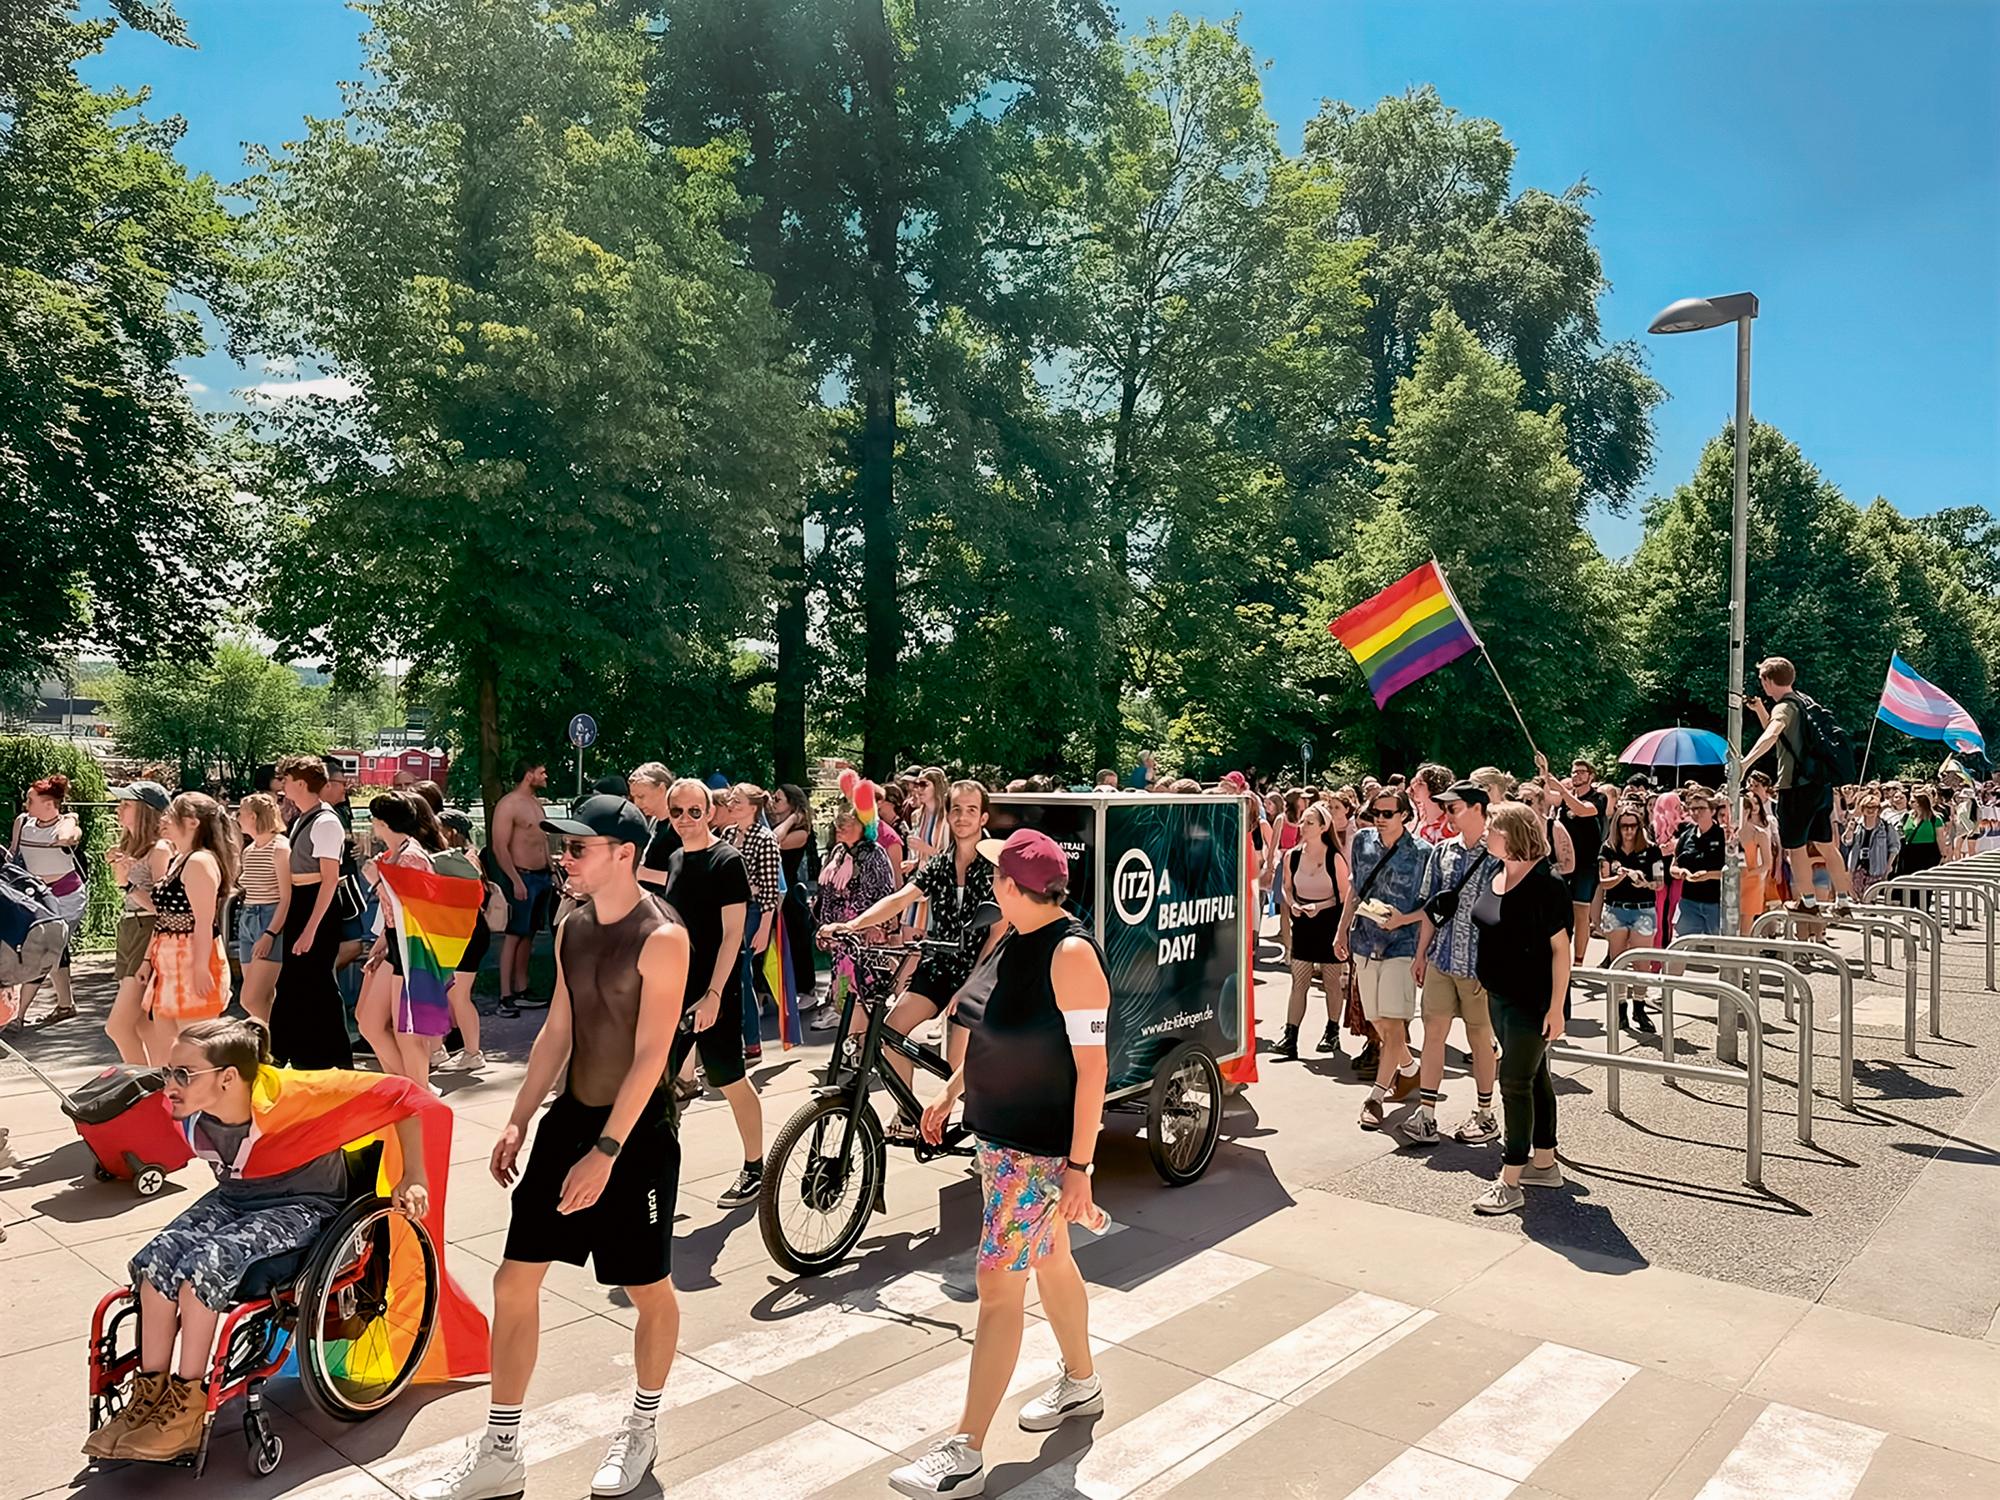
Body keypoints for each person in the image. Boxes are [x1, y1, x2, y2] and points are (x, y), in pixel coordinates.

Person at [417, 797, 687, 1500]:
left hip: (635, 1135)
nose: (561, 860)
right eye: (561, 849)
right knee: (514, 1281)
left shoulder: (663, 937)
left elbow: (651, 1056)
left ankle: (642, 1425)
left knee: (647, 1289)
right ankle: (502, 1448)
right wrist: (518, 1117)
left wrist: (605, 1152)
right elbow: (558, 1032)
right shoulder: (570, 925)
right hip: (571, 1121)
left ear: (624, 853)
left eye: (577, 849)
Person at [81, 1017, 436, 1463]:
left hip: (305, 1203)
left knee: (204, 1266)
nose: (169, 1084)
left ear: (228, 1078)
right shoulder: (185, 1108)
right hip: (236, 1198)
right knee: (154, 1263)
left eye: (183, 1074)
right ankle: (149, 1399)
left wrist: (414, 1174)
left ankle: (187, 1409)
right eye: (168, 1071)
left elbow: (402, 1093)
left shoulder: (300, 1094)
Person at [896, 830, 1108, 1499]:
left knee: (997, 1288)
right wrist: (952, 1088)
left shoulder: (1070, 953)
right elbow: (989, 1029)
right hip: (998, 1139)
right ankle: (1082, 1381)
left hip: (1036, 1153)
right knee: (1051, 1261)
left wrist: (1080, 1166)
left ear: (1016, 886)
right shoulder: (1012, 935)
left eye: (996, 876)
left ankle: (965, 1450)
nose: (989, 884)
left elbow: (1092, 1067)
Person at [819, 781, 997, 1139]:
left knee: (959, 1063)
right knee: (890, 1032)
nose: (962, 817)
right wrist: (852, 924)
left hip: (982, 970)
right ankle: (908, 1114)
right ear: (948, 814)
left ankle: (984, 1136)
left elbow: (996, 934)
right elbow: (901, 898)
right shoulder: (941, 863)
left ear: (983, 817)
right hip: (941, 962)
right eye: (957, 809)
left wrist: (970, 986)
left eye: (971, 810)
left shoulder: (994, 865)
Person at [659, 779, 763, 1209]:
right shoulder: (676, 859)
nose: (686, 820)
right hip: (675, 990)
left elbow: (732, 934)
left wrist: (715, 993)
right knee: (659, 1085)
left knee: (729, 1080)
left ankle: (755, 1167)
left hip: (714, 991)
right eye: (677, 812)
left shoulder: (727, 860)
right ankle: (657, 1174)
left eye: (694, 811)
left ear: (710, 812)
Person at [1467, 801, 1573, 1216]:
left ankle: (1510, 1180)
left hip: (1533, 1001)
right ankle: (1543, 1162)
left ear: (1512, 836)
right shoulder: (1498, 873)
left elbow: (1561, 951)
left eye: (1493, 828)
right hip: (1499, 995)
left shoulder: (1547, 885)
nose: (1487, 834)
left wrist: (1557, 1008)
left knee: (1513, 1082)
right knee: (1534, 1076)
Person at [1409, 781, 1501, 1145]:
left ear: (1479, 809)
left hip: (1479, 966)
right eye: (1445, 807)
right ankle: (1427, 1115)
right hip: (1441, 959)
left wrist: (1494, 966)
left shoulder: (1498, 856)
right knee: (1433, 1034)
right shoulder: (1442, 851)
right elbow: (1431, 909)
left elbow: (1503, 917)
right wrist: (1420, 954)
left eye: (1455, 807)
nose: (1448, 814)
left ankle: (1485, 1114)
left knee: (1480, 1039)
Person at [1335, 786, 1431, 1131]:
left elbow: (1431, 907)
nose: (1379, 819)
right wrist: (1341, 929)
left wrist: (1405, 923)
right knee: (1377, 1021)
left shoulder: (1423, 852)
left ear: (1405, 815)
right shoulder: (1361, 842)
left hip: (1401, 946)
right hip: (1364, 941)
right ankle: (1408, 1071)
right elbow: (1355, 890)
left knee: (1392, 1022)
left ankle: (1375, 1097)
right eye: (1375, 813)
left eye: (1387, 813)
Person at [1741, 657, 1854, 914]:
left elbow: (1772, 734)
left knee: (1795, 848)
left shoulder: (1784, 708)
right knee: (1827, 845)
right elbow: (1783, 738)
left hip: (1795, 789)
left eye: (1762, 680)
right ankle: (1844, 901)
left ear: (1769, 680)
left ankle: (1808, 902)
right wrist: (1760, 709)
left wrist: (1746, 762)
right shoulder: (1803, 701)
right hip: (1819, 785)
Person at [136, 793, 238, 1061]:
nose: (164, 820)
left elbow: (204, 921)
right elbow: (164, 915)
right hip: (168, 961)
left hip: (192, 958)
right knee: (168, 1048)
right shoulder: (179, 859)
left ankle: (204, 1101)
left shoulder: (199, 862)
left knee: (193, 1048)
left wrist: (201, 967)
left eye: (172, 815)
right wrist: (148, 960)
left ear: (192, 822)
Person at [357, 792, 447, 1087]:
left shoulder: (411, 856)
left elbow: (416, 906)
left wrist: (377, 881)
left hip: (413, 948)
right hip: (396, 943)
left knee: (406, 1030)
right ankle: (407, 1087)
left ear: (382, 823)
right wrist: (383, 942)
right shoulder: (393, 855)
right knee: (370, 1022)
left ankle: (416, 1091)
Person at [270, 756, 353, 1069]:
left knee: (316, 980)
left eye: (288, 780)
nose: (284, 785)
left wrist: (310, 929)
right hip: (303, 901)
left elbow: (329, 879)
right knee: (297, 981)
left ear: (301, 783)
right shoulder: (306, 816)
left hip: (316, 904)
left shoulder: (326, 821)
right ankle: (297, 1051)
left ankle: (332, 1056)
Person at [711, 784, 782, 1065]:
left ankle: (752, 1042)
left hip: (752, 912)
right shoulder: (727, 834)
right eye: (731, 800)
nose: (732, 804)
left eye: (737, 801)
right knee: (729, 975)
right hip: (729, 908)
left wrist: (765, 927)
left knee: (742, 974)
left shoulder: (765, 839)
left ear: (753, 808)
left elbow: (769, 889)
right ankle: (734, 1041)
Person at [8, 772, 86, 1024]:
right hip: (37, 896)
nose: (26, 805)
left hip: (67, 896)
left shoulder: (65, 824)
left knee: (44, 949)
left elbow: (68, 836)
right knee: (55, 949)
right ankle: (66, 1005)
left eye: (30, 800)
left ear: (49, 803)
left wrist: (70, 820)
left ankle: (16, 1017)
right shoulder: (22, 822)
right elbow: (13, 852)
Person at [105, 781, 173, 1063]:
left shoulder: (160, 850)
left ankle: (141, 1088)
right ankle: (159, 1087)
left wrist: (128, 883)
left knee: (118, 1026)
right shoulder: (130, 847)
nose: (120, 809)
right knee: (142, 1023)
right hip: (130, 927)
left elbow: (165, 907)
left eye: (127, 804)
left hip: (147, 930)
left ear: (146, 812)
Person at [1274, 801, 1347, 1062]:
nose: (1303, 827)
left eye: (1309, 822)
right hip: (1303, 920)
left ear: (1323, 827)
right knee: (1299, 980)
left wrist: (1321, 905)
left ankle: (1332, 1030)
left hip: (1329, 921)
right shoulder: (1292, 855)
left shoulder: (1334, 857)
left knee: (1331, 981)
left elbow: (1344, 895)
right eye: (1302, 821)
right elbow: (1286, 887)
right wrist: (1292, 903)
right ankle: (1290, 1036)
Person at [491, 758, 554, 1014]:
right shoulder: (509, 805)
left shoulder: (535, 803)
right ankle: (505, 994)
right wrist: (515, 880)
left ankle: (522, 986)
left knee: (529, 934)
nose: (546, 775)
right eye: (542, 771)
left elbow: (542, 840)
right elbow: (499, 846)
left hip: (542, 876)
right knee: (514, 934)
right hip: (522, 876)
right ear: (529, 775)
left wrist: (552, 869)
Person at [1537, 753, 1609, 965]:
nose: (1576, 775)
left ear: (1591, 776)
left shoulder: (1599, 797)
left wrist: (1562, 790)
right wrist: (1544, 770)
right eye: (1574, 772)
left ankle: (1578, 961)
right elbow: (1547, 796)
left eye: (1581, 772)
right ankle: (1559, 959)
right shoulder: (1564, 799)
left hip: (1587, 865)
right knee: (1559, 912)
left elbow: (1583, 810)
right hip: (1564, 863)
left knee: (1581, 913)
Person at [1598, 805, 1665, 1033]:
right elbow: (1603, 881)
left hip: (1643, 909)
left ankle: (1639, 1007)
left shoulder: (1652, 850)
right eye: (1624, 826)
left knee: (1641, 963)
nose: (1629, 831)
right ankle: (1620, 1009)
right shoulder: (1608, 849)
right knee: (1618, 962)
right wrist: (1621, 875)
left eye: (1633, 826)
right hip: (1616, 908)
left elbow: (1659, 882)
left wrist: (1645, 882)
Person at [434, 809, 490, 1074]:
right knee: (451, 993)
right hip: (462, 932)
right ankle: (455, 1049)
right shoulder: (464, 857)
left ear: (451, 832)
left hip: (469, 933)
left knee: (459, 995)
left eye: (439, 828)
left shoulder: (465, 860)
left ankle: (472, 1052)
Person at [234, 794, 292, 1026]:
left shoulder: (280, 848)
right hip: (248, 916)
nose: (237, 818)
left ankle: (267, 1043)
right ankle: (266, 1044)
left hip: (268, 917)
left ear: (253, 816)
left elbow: (286, 897)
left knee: (251, 998)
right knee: (258, 997)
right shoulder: (250, 850)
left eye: (240, 813)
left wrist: (271, 933)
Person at [766, 782, 821, 1024]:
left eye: (779, 799)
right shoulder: (770, 824)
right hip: (775, 892)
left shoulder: (800, 831)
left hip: (790, 894)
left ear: (792, 804)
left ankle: (807, 990)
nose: (773, 803)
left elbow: (773, 842)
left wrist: (792, 819)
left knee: (796, 941)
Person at [1669, 789, 1727, 937]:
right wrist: (1681, 872)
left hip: (1716, 903)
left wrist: (1707, 875)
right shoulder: (1686, 835)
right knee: (1679, 945)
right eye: (1693, 809)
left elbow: (1730, 872)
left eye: (1701, 808)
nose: (1696, 812)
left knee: (1718, 949)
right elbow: (1673, 867)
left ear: (1713, 810)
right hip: (1688, 902)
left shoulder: (1723, 836)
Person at [1842, 794, 1902, 904]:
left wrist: (1889, 866)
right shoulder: (1856, 824)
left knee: (1869, 899)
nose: (1870, 810)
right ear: (1862, 809)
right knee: (1857, 899)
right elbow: (1847, 842)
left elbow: (1894, 846)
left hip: (1877, 869)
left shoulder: (1886, 826)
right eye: (1867, 807)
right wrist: (1849, 830)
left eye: (1874, 807)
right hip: (1857, 868)